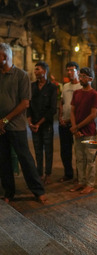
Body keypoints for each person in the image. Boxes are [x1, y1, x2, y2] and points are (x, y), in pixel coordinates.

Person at [0, 42, 47, 204]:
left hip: (16, 126)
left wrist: (5, 120)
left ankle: (38, 190)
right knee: (3, 159)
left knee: (25, 159)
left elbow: (25, 103)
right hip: (1, 127)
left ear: (4, 57)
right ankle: (8, 192)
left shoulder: (21, 75)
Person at [69, 67, 97, 194]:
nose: (80, 78)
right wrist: (74, 128)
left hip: (89, 132)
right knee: (79, 158)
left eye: (83, 76)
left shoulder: (94, 94)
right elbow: (72, 111)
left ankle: (90, 183)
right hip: (77, 132)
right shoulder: (76, 93)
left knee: (90, 159)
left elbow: (93, 114)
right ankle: (81, 182)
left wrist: (77, 127)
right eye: (80, 76)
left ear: (90, 79)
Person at [27, 61, 57, 185]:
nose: (35, 72)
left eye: (37, 69)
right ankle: (39, 173)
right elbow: (28, 104)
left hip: (46, 124)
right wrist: (29, 121)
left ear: (44, 71)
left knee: (48, 150)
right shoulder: (32, 86)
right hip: (34, 124)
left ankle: (48, 174)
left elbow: (52, 109)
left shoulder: (52, 87)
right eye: (35, 69)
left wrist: (39, 123)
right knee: (38, 150)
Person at [58, 62, 82, 182]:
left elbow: (81, 108)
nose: (69, 72)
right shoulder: (66, 86)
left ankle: (80, 175)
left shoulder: (81, 87)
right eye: (68, 70)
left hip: (76, 123)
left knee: (79, 150)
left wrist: (70, 120)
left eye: (72, 70)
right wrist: (60, 117)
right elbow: (62, 102)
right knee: (65, 150)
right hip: (64, 123)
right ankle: (68, 173)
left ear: (77, 72)